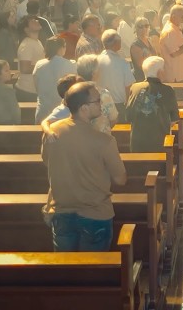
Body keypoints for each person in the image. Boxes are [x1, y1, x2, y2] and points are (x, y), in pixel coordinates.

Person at [42, 81, 128, 251]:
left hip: (61, 212)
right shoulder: (104, 141)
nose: (100, 104)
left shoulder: (52, 131)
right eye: (97, 101)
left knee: (65, 270)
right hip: (95, 214)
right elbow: (120, 179)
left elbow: (47, 160)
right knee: (94, 271)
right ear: (84, 108)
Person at [123, 56, 180, 152]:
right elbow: (174, 119)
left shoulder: (135, 88)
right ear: (159, 72)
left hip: (137, 144)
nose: (165, 71)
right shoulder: (168, 90)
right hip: (159, 144)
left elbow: (128, 116)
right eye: (164, 69)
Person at [33, 36, 76, 123]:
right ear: (60, 48)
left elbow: (37, 87)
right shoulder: (70, 65)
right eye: (64, 46)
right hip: (62, 113)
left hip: (43, 111)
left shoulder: (39, 65)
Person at [96, 30, 137, 113]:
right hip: (119, 105)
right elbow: (128, 86)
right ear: (116, 43)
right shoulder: (122, 63)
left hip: (100, 104)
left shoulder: (95, 60)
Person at [159, 5, 183, 83]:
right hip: (176, 75)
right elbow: (174, 53)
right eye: (182, 17)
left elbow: (179, 45)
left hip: (181, 73)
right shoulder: (170, 31)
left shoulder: (175, 28)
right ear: (173, 16)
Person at [14, 15, 47, 99]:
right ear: (26, 29)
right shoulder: (27, 45)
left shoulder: (37, 41)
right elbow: (25, 68)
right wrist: (45, 66)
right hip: (27, 90)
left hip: (34, 88)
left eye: (36, 20)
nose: (37, 21)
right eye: (32, 21)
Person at [128, 17, 155, 81]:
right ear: (136, 28)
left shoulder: (149, 40)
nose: (144, 28)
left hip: (151, 76)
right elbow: (141, 65)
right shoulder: (135, 45)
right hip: (140, 78)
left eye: (146, 26)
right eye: (141, 26)